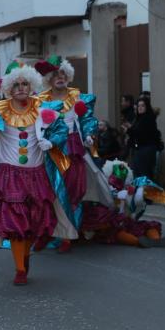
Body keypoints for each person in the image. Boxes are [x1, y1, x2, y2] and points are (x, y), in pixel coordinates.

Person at [0, 61, 77, 285]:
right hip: (10, 175)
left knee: (34, 222)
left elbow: (61, 129)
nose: (21, 88)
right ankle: (20, 269)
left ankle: (24, 256)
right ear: (9, 88)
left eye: (25, 84)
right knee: (15, 225)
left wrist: (51, 141)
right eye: (16, 85)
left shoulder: (43, 108)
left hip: (36, 175)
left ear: (31, 85)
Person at [35, 55, 111, 253]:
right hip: (50, 150)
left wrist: (88, 135)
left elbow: (87, 120)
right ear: (49, 79)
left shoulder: (78, 97)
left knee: (72, 193)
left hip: (73, 149)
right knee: (50, 194)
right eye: (55, 74)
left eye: (63, 74)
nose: (60, 77)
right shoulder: (41, 100)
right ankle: (52, 231)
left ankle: (69, 234)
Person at [81, 159, 165, 248]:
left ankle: (156, 240)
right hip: (114, 223)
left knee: (146, 226)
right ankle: (138, 241)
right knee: (117, 233)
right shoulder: (103, 192)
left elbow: (136, 205)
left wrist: (138, 191)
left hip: (126, 221)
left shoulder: (128, 193)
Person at [126, 97, 160, 179]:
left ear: (147, 107)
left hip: (146, 149)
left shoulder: (148, 118)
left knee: (144, 174)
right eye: (138, 106)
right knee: (138, 173)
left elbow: (142, 134)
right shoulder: (138, 119)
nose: (140, 108)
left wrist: (130, 130)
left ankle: (145, 191)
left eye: (142, 106)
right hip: (139, 149)